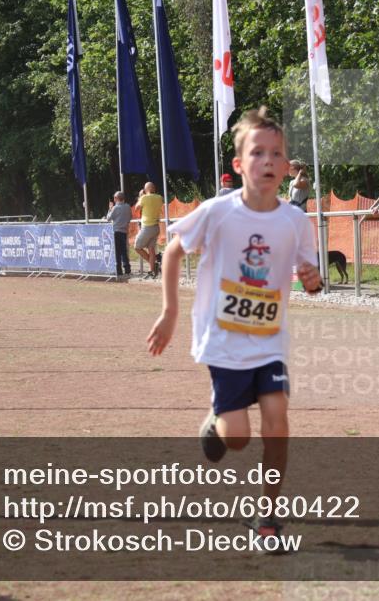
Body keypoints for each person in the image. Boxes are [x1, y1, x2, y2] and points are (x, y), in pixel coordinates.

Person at [146, 107, 322, 544]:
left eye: (275, 154)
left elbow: (310, 272)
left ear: (285, 167)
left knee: (278, 420)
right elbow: (171, 251)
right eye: (256, 152)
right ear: (239, 164)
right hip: (223, 343)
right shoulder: (217, 212)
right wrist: (169, 313)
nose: (267, 160)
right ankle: (216, 419)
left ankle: (267, 517)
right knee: (238, 440)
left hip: (269, 342)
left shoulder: (295, 220)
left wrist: (314, 280)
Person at [134, 183, 163, 277]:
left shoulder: (144, 198)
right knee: (151, 249)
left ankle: (154, 265)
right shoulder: (159, 197)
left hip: (147, 227)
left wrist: (140, 197)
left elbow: (136, 208)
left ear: (146, 189)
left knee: (137, 247)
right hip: (156, 227)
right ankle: (152, 271)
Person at [105, 191, 132, 277]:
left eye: (114, 198)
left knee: (117, 252)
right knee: (124, 251)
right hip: (124, 231)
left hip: (116, 232)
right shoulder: (128, 207)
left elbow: (108, 218)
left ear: (116, 199)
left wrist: (110, 209)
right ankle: (127, 269)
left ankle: (119, 271)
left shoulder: (115, 208)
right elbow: (130, 217)